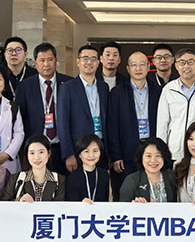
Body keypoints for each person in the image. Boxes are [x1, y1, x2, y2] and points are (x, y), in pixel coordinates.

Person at [107, 51, 161, 194]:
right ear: (127, 68)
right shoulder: (117, 92)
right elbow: (112, 126)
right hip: (126, 153)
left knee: (152, 192)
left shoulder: (158, 91)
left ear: (149, 67)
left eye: (142, 64)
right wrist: (116, 155)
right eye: (134, 65)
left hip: (152, 151)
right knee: (126, 193)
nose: (138, 68)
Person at [15, 41, 72, 174]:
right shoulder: (25, 87)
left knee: (63, 189)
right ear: (35, 63)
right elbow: (20, 120)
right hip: (36, 151)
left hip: (62, 149)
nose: (46, 64)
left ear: (56, 61)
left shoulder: (69, 83)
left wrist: (70, 152)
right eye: (42, 60)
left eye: (50, 59)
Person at [156, 49, 195, 162]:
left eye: (190, 62)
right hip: (175, 151)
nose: (186, 66)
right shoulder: (169, 89)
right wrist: (161, 152)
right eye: (182, 62)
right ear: (176, 65)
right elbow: (162, 124)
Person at [57, 44, 109, 173]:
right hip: (78, 149)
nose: (89, 62)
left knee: (100, 186)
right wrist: (68, 154)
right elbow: (62, 123)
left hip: (100, 147)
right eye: (85, 58)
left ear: (98, 62)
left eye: (93, 59)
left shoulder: (104, 87)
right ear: (78, 61)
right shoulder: (67, 88)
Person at [2, 135, 63, 201]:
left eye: (41, 152)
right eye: (32, 153)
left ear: (49, 153)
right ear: (27, 155)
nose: (36, 157)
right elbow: (5, 205)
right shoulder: (16, 179)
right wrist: (19, 201)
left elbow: (61, 207)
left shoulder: (59, 180)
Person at [63, 134, 108, 203]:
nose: (91, 155)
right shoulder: (72, 178)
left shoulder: (104, 174)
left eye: (95, 151)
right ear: (79, 155)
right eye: (86, 151)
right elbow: (70, 206)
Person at [1, 36, 34, 100]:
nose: (13, 53)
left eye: (18, 50)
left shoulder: (34, 75)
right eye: (10, 50)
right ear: (5, 55)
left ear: (25, 54)